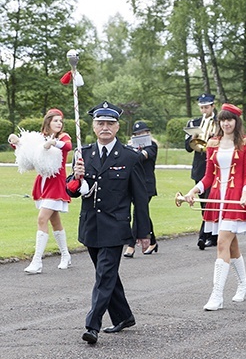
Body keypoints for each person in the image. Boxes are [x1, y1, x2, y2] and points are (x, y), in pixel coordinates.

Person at [66, 101, 151, 344]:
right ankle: (124, 316)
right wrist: (76, 177)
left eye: (110, 123)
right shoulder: (82, 153)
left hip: (115, 227)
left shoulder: (130, 157)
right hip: (91, 225)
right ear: (93, 126)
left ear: (117, 127)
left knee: (104, 275)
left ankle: (92, 325)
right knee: (107, 274)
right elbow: (73, 190)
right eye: (100, 123)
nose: (105, 127)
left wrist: (143, 232)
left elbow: (140, 198)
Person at [183, 103, 246, 310]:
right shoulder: (213, 143)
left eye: (230, 119)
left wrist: (245, 193)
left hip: (235, 197)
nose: (226, 123)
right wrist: (193, 191)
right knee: (232, 246)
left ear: (236, 121)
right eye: (222, 120)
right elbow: (208, 176)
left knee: (222, 244)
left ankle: (217, 296)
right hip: (216, 197)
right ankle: (243, 284)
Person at [9, 109, 73, 274]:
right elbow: (28, 150)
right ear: (48, 122)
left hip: (56, 182)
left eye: (60, 121)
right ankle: (66, 255)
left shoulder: (63, 137)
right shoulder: (39, 137)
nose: (59, 123)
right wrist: (16, 141)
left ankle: (37, 261)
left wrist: (53, 143)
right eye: (55, 121)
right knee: (54, 221)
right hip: (43, 182)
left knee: (41, 219)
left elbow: (68, 146)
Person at [185, 93, 218, 250]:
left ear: (213, 106)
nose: (204, 110)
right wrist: (194, 137)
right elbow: (187, 148)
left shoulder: (219, 122)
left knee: (212, 203)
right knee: (204, 205)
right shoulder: (194, 123)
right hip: (200, 168)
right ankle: (213, 235)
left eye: (207, 107)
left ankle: (204, 236)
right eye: (202, 107)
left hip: (215, 167)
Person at [123, 121, 158, 257]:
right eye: (137, 134)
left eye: (142, 133)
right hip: (133, 184)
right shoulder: (130, 147)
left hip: (146, 185)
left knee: (138, 213)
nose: (139, 135)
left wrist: (130, 150)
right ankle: (153, 241)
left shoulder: (152, 145)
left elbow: (140, 157)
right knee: (143, 214)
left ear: (147, 133)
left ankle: (131, 245)